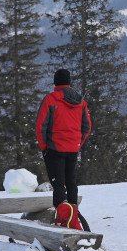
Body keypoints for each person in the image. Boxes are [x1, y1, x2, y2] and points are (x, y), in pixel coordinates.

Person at [35, 69, 92, 228]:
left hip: (54, 148)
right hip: (73, 148)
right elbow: (87, 127)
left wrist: (44, 146)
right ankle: (73, 216)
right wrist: (77, 142)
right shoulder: (80, 101)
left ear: (55, 82)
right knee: (71, 182)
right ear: (69, 82)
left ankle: (63, 218)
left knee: (59, 184)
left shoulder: (50, 99)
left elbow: (41, 126)